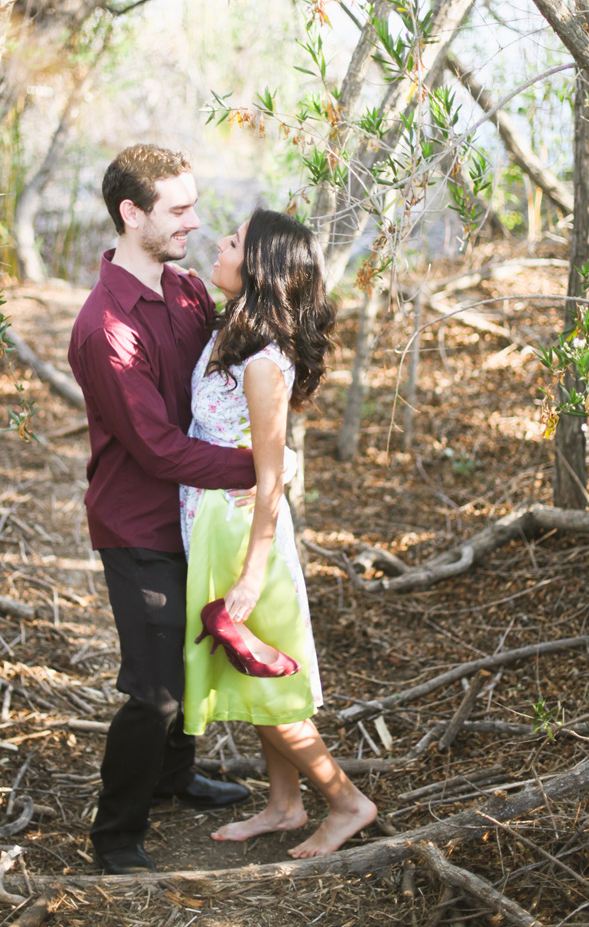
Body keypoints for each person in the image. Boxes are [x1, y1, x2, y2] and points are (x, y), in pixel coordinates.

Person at [68, 145, 257, 875]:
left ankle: (175, 781)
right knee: (154, 691)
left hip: (197, 514)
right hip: (139, 524)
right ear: (132, 213)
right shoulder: (106, 328)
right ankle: (116, 834)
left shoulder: (184, 292)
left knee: (196, 651)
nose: (195, 221)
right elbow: (157, 448)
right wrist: (260, 470)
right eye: (179, 210)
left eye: (193, 205)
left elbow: (224, 384)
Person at [180, 208, 378, 857]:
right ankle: (285, 805)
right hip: (213, 522)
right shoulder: (233, 330)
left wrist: (252, 572)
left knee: (267, 679)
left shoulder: (264, 360)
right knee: (249, 669)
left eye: (233, 241)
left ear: (258, 266)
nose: (219, 242)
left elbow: (271, 478)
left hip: (243, 535)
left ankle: (346, 802)